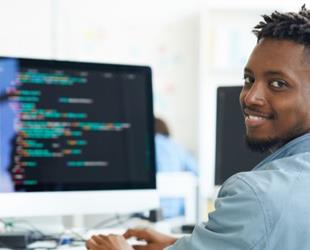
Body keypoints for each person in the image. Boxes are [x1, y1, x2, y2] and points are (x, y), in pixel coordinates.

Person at [86, 5, 310, 250]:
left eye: (278, 83)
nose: (249, 97)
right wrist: (178, 244)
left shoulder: (257, 195)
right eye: (249, 79)